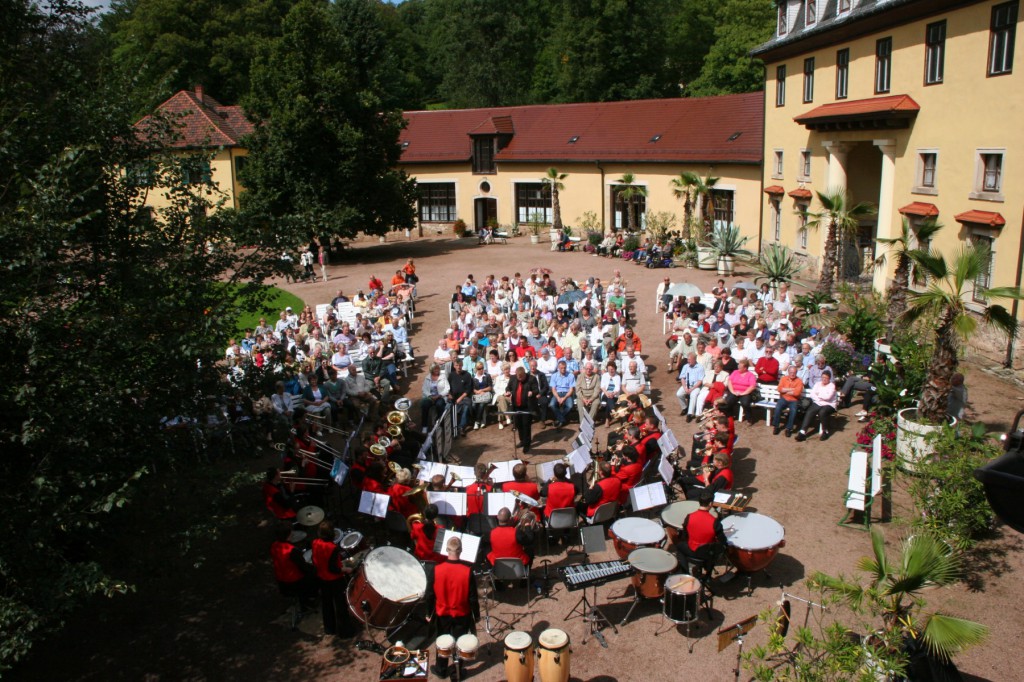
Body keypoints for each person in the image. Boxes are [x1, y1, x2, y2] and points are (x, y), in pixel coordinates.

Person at [427, 536, 479, 679]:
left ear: (446, 550)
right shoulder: (467, 571)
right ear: (461, 550)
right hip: (462, 613)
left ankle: (441, 669)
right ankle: (456, 672)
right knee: (460, 642)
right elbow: (473, 598)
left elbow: (430, 594)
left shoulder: (436, 570)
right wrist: (477, 614)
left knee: (442, 642)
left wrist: (428, 612)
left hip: (442, 612)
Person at [311, 520, 356, 638]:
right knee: (340, 605)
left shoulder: (315, 542)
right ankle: (345, 632)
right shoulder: (332, 548)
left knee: (327, 604)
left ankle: (329, 628)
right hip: (334, 580)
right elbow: (333, 568)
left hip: (322, 578)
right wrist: (346, 570)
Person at [674, 490, 727, 572]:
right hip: (708, 553)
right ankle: (708, 572)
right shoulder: (715, 522)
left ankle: (685, 572)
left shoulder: (689, 517)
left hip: (692, 550)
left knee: (679, 546)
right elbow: (722, 540)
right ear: (710, 504)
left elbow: (685, 535)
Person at [270, 524, 317, 608]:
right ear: (288, 536)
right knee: (316, 573)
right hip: (294, 583)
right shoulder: (292, 550)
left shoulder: (274, 545)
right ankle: (310, 598)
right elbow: (303, 567)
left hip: (281, 581)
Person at [795, 370, 838, 442]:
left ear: (829, 379)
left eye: (826, 378)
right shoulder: (817, 384)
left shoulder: (832, 386)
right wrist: (820, 397)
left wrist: (818, 395)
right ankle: (802, 432)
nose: (824, 379)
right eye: (823, 377)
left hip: (829, 404)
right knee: (810, 411)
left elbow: (828, 397)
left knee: (822, 412)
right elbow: (812, 394)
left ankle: (825, 431)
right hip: (818, 403)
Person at [505, 366, 536, 453]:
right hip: (516, 406)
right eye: (518, 377)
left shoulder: (531, 379)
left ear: (524, 375)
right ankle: (522, 441)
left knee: (526, 425)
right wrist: (508, 392)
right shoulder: (513, 378)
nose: (520, 379)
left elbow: (536, 390)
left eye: (521, 377)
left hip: (527, 407)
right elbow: (508, 387)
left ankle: (527, 444)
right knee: (518, 425)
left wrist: (532, 393)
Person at [772, 364, 805, 437]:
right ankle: (776, 426)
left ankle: (789, 428)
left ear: (796, 373)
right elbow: (779, 389)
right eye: (791, 372)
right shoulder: (783, 378)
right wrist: (791, 389)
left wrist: (785, 390)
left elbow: (797, 393)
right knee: (778, 408)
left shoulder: (799, 381)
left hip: (794, 400)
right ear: (788, 372)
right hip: (784, 398)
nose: (792, 374)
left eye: (794, 373)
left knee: (793, 410)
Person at [722, 358, 758, 423]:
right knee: (728, 401)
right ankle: (730, 415)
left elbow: (752, 386)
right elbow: (730, 382)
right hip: (734, 391)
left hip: (745, 392)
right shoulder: (735, 372)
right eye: (738, 366)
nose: (738, 368)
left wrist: (743, 393)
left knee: (745, 403)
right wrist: (733, 391)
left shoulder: (750, 375)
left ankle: (749, 418)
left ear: (745, 368)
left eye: (740, 367)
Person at [419, 363, 450, 432]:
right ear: (432, 370)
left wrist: (439, 395)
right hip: (430, 397)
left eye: (438, 369)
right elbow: (424, 389)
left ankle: (440, 424)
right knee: (424, 405)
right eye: (435, 369)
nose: (437, 370)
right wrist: (430, 396)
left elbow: (447, 388)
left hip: (440, 396)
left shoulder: (443, 376)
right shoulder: (427, 377)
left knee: (440, 405)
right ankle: (424, 426)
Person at [548, 360, 576, 428]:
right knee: (551, 405)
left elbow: (571, 390)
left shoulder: (570, 375)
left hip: (567, 393)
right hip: (557, 393)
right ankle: (562, 419)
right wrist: (558, 398)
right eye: (561, 368)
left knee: (570, 405)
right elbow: (553, 389)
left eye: (564, 368)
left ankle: (559, 419)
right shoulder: (554, 376)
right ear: (558, 368)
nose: (563, 369)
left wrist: (564, 398)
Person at [676, 352, 705, 418]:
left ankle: (690, 413)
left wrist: (692, 389)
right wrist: (685, 388)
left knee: (693, 395)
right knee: (679, 394)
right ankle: (684, 407)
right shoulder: (685, 366)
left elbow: (700, 381)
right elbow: (682, 378)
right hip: (686, 385)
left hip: (696, 386)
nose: (688, 361)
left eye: (689, 360)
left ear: (694, 359)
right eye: (688, 359)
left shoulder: (700, 367)